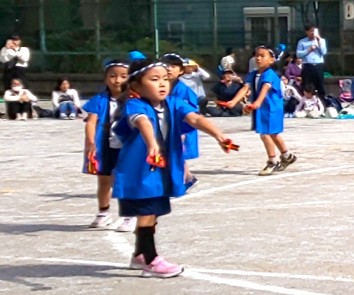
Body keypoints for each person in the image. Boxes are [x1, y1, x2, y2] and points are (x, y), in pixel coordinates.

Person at [111, 59, 230, 278]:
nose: (162, 84)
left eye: (165, 79)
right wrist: (152, 144)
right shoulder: (135, 105)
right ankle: (150, 259)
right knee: (147, 212)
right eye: (154, 80)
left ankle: (139, 255)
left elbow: (194, 118)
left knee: (152, 213)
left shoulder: (173, 104)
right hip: (141, 172)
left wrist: (218, 135)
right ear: (136, 86)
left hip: (160, 171)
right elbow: (142, 122)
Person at [82, 59, 136, 231]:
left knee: (126, 180)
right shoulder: (99, 99)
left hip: (128, 146)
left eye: (122, 76)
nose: (117, 80)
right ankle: (103, 213)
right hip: (106, 145)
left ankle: (130, 215)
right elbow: (91, 122)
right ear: (105, 79)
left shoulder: (135, 99)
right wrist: (90, 142)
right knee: (104, 180)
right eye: (112, 76)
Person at [226, 45, 297, 176]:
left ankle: (272, 161)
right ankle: (287, 156)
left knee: (265, 134)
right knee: (273, 134)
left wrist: (257, 102)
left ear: (271, 60)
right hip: (262, 108)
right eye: (256, 55)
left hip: (272, 108)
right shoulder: (253, 74)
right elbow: (244, 89)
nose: (258, 58)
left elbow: (265, 88)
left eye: (262, 55)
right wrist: (234, 101)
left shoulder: (269, 74)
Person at [159, 53, 199, 190]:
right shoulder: (159, 87)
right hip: (165, 127)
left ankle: (180, 182)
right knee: (173, 154)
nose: (169, 69)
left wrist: (182, 131)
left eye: (173, 66)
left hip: (180, 129)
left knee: (175, 154)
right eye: (166, 66)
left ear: (181, 71)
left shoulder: (184, 91)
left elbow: (192, 113)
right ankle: (188, 178)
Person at [296, 23, 327, 102]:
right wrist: (308, 50)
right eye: (311, 31)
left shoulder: (321, 40)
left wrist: (319, 41)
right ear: (306, 32)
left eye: (314, 31)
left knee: (320, 85)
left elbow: (324, 52)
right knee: (307, 86)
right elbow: (298, 54)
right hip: (307, 66)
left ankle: (321, 103)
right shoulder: (302, 42)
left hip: (318, 66)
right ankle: (306, 103)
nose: (313, 33)